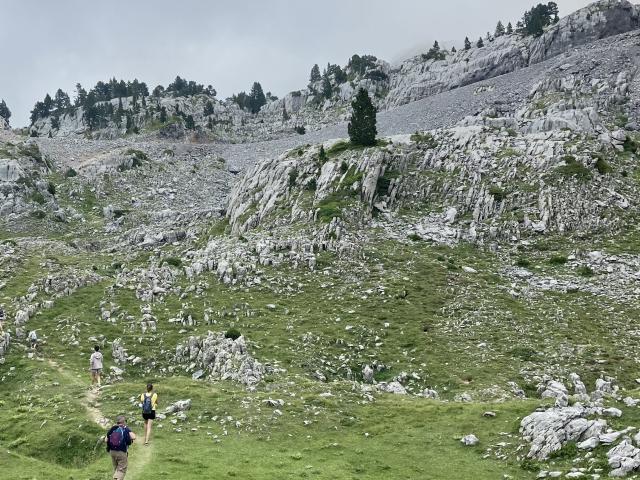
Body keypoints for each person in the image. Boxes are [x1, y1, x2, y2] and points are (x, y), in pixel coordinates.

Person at [106, 415, 136, 480]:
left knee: (116, 468)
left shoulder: (113, 428)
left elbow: (106, 439)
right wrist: (127, 430)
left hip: (112, 451)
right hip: (121, 452)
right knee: (122, 470)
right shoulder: (125, 429)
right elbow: (134, 437)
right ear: (124, 422)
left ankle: (116, 478)